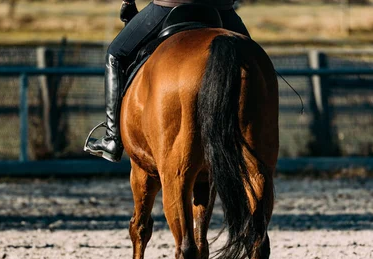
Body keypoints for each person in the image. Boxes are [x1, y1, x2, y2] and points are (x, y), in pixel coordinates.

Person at [84, 0, 251, 162]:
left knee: (115, 54)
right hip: (222, 7)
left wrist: (128, 3)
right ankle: (256, 134)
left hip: (169, 5)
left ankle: (112, 138)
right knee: (254, 62)